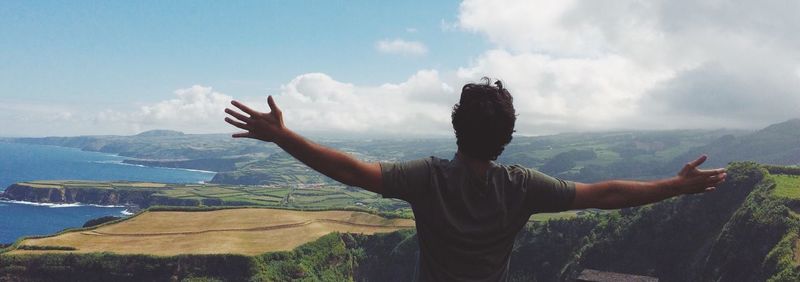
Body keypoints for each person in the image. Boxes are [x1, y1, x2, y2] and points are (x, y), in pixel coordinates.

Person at [223, 78, 727, 281]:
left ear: (455, 126)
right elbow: (605, 194)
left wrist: (284, 138)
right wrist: (676, 185)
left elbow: (351, 171)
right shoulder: (523, 186)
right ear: (507, 136)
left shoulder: (427, 178)